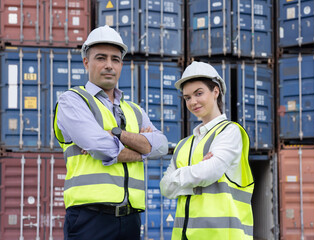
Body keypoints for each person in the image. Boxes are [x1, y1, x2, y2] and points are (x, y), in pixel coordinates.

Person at [54, 25, 168, 240]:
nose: (109, 65)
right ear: (86, 62)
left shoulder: (134, 110)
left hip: (131, 219)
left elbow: (162, 145)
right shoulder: (73, 100)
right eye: (101, 58)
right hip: (90, 219)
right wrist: (143, 148)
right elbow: (99, 146)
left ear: (121, 65)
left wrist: (117, 134)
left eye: (115, 59)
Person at [160, 61, 254, 240]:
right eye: (187, 97)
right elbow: (165, 187)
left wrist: (181, 177)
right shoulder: (183, 145)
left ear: (215, 91)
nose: (193, 102)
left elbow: (209, 172)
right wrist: (197, 172)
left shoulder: (230, 131)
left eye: (199, 93)